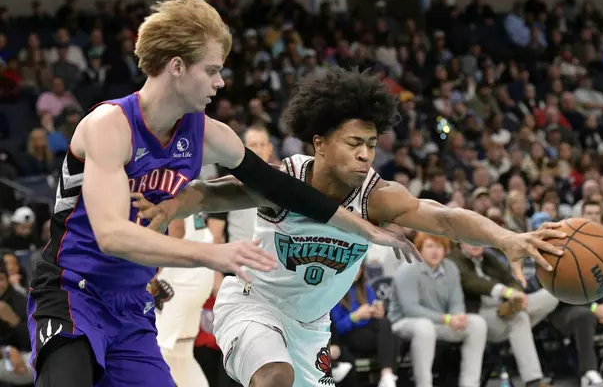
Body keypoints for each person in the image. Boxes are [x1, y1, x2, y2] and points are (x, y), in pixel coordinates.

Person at [26, 0, 418, 387]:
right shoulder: (109, 126)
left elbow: (283, 188)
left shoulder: (206, 133)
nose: (221, 82)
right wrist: (213, 254)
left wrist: (364, 229)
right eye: (212, 70)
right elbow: (111, 235)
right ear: (177, 67)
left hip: (131, 303)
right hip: (72, 292)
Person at [135, 66, 566, 387]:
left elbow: (445, 217)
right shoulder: (283, 180)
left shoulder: (377, 196)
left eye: (372, 145)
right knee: (274, 377)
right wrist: (171, 205)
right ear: (320, 142)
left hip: (311, 327)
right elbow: (212, 192)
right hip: (254, 304)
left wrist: (506, 237)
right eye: (354, 143)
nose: (365, 155)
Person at [450, 242, 558, 387]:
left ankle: (518, 333)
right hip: (480, 315)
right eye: (469, 240)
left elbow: (511, 279)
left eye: (477, 239)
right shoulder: (453, 259)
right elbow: (472, 282)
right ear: (460, 242)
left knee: (551, 295)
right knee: (520, 318)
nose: (475, 243)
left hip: (507, 308)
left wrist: (518, 294)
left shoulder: (490, 258)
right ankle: (534, 381)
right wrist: (506, 292)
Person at [388, 232, 487, 387]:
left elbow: (456, 301)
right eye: (430, 246)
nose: (435, 251)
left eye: (439, 246)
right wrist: (447, 319)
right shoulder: (407, 269)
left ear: (445, 250)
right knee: (424, 327)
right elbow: (410, 309)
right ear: (419, 249)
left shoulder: (451, 268)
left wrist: (458, 316)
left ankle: (470, 383)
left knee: (477, 323)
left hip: (439, 322)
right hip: (404, 323)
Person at [152, 212, 217, 387]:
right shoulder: (190, 182)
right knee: (180, 354)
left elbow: (176, 229)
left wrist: (152, 272)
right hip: (198, 268)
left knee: (155, 351)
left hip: (179, 274)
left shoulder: (168, 184)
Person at [330, 263, 400, 387]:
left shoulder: (365, 288)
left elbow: (374, 314)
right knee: (393, 340)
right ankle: (387, 377)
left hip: (368, 331)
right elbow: (336, 328)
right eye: (352, 267)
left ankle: (386, 375)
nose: (356, 271)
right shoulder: (334, 291)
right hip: (347, 335)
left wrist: (377, 313)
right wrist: (355, 316)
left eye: (359, 268)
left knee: (386, 325)